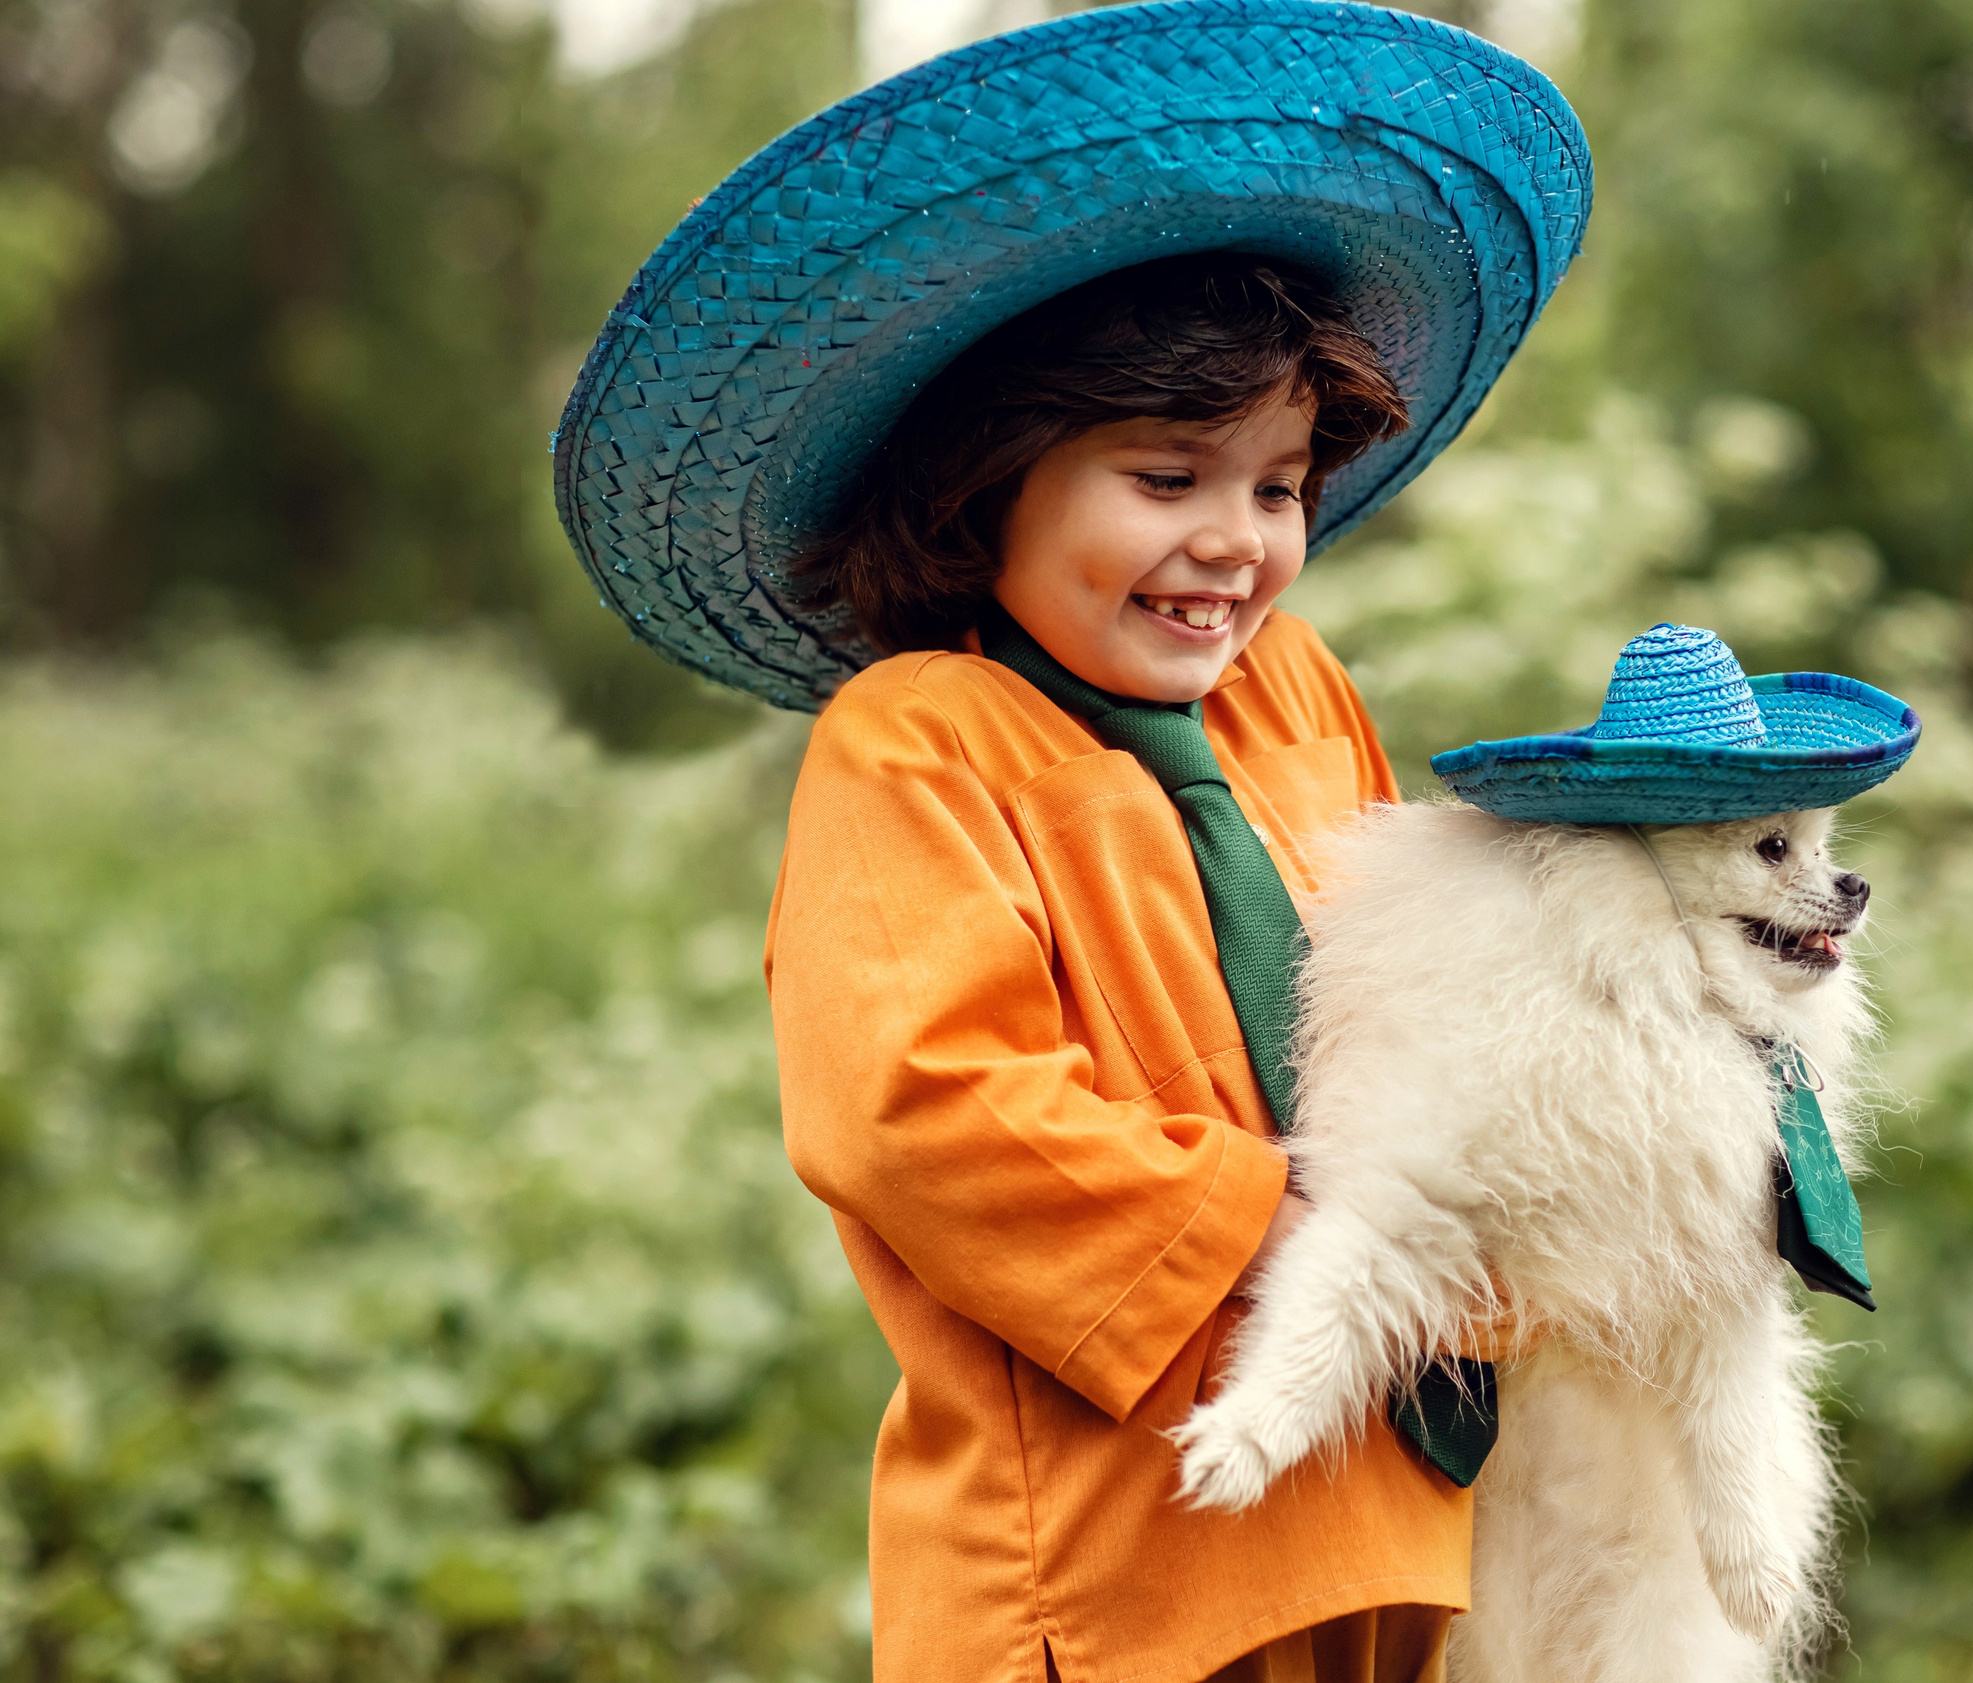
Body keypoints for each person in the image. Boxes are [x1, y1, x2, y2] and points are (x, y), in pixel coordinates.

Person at [547, 6, 1591, 1678]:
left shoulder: (1297, 694)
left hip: (1385, 1511)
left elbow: (1416, 988)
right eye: (1167, 478)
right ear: (989, 482)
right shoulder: (921, 743)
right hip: (1111, 1570)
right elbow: (926, 1111)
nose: (1235, 543)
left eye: (1278, 486)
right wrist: (1298, 1224)